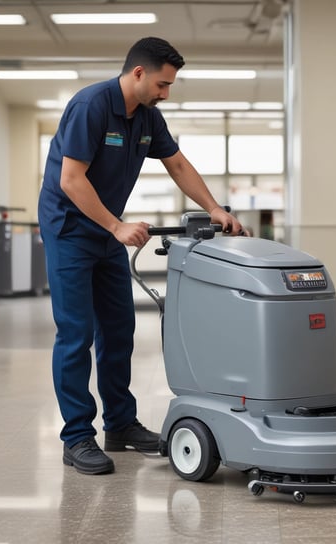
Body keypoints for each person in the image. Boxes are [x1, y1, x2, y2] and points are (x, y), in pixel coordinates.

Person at [38, 36, 245, 475]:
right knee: (75, 335)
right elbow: (71, 181)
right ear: (138, 73)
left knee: (119, 330)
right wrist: (116, 225)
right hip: (71, 230)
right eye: (163, 84)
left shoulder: (148, 117)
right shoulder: (91, 106)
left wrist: (214, 208)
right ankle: (77, 436)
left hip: (106, 233)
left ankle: (120, 425)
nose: (166, 93)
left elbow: (177, 164)